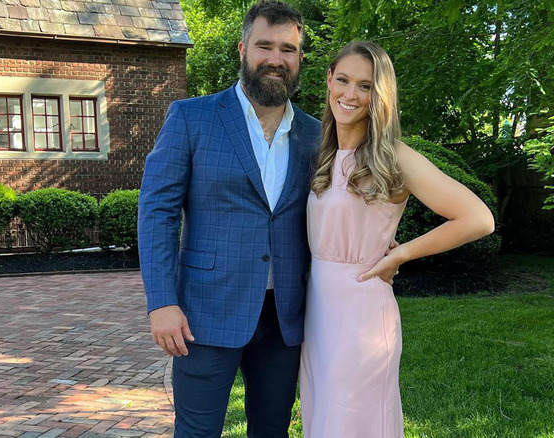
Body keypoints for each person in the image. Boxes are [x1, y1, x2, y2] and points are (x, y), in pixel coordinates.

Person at [137, 1, 321, 437]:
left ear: (298, 58)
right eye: (264, 46)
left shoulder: (316, 134)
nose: (276, 59)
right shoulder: (192, 117)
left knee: (272, 429)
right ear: (242, 49)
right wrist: (162, 301)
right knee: (197, 432)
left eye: (288, 49)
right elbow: (157, 211)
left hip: (286, 319)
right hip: (204, 313)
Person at [299, 41, 495, 438]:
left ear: (380, 95)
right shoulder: (323, 154)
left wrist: (401, 254)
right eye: (343, 80)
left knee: (353, 424)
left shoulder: (394, 156)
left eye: (365, 86)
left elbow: (478, 218)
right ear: (328, 82)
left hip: (362, 316)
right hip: (317, 311)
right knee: (323, 421)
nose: (350, 94)